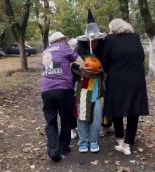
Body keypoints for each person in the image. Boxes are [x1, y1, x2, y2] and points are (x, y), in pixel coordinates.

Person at [100, 19, 149, 155]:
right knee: (134, 110)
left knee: (117, 108)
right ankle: (128, 143)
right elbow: (142, 56)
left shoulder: (110, 39)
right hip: (136, 79)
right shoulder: (136, 37)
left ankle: (120, 138)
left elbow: (104, 61)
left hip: (117, 79)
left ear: (113, 29)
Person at [41, 31, 81, 162]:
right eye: (65, 39)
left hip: (46, 91)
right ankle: (64, 148)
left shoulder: (45, 52)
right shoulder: (64, 48)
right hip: (63, 89)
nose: (67, 42)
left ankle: (53, 152)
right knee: (65, 119)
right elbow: (80, 61)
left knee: (51, 122)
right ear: (59, 40)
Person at [71, 9, 107, 153]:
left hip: (97, 90)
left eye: (96, 40)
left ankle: (94, 140)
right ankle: (83, 141)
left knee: (96, 116)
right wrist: (80, 70)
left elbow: (109, 67)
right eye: (91, 40)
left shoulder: (104, 52)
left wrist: (102, 71)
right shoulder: (77, 53)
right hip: (82, 89)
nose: (94, 43)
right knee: (82, 116)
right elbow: (71, 65)